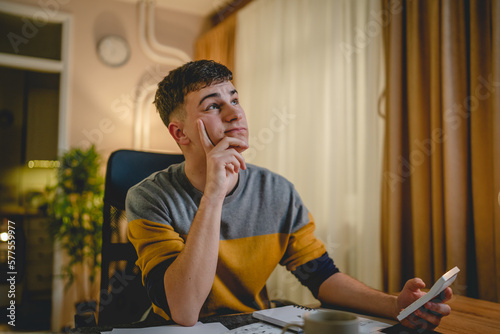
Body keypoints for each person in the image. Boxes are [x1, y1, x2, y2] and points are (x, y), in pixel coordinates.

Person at [126, 60, 452, 329]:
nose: (235, 114)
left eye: (235, 100)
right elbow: (183, 312)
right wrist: (213, 195)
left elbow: (321, 277)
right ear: (180, 133)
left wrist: (396, 304)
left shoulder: (277, 191)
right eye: (213, 105)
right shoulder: (148, 197)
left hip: (254, 326)